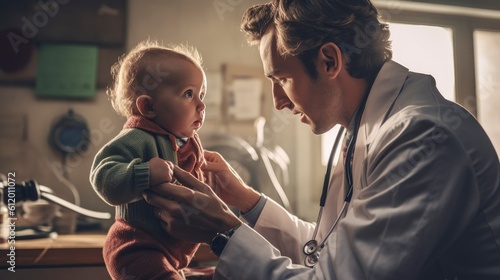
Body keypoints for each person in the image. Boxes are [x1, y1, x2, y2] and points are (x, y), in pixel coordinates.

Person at [144, 1, 500, 279]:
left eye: (281, 79)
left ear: (329, 61)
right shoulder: (362, 127)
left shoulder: (420, 137)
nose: (277, 102)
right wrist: (246, 202)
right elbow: (327, 252)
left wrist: (222, 232)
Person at [89, 40, 208, 280]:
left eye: (202, 94)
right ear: (149, 106)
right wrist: (144, 172)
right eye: (189, 94)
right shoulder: (137, 138)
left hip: (173, 253)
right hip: (137, 246)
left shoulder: (190, 143)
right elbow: (102, 176)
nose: (201, 105)